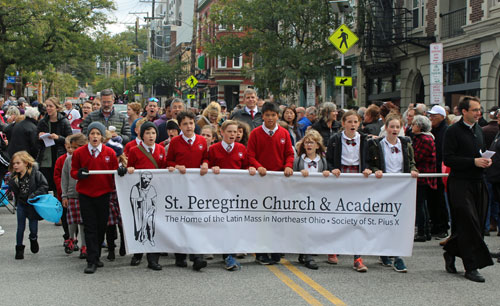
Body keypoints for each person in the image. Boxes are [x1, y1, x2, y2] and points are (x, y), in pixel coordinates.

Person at [442, 96, 494, 283]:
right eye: (474, 110)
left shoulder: (479, 130)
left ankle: (451, 250)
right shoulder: (453, 131)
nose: (479, 113)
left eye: (479, 109)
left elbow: (480, 152)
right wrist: (472, 161)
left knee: (476, 224)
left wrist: (485, 160)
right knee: (469, 222)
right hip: (460, 183)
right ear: (464, 111)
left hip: (478, 182)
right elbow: (448, 158)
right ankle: (471, 267)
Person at [368, 114, 418, 273]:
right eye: (392, 127)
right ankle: (384, 250)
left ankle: (398, 256)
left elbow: (411, 162)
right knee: (384, 221)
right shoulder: (377, 145)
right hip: (383, 187)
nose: (395, 130)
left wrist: (413, 170)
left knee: (399, 222)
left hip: (401, 188)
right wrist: (376, 171)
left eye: (398, 127)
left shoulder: (406, 144)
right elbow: (371, 164)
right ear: (386, 128)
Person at [247, 102, 294, 265]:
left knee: (277, 216)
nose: (270, 118)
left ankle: (275, 248)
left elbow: (289, 153)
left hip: (279, 181)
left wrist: (288, 165)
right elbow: (250, 155)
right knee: (262, 217)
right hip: (261, 181)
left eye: (273, 115)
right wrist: (258, 166)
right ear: (263, 116)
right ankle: (261, 251)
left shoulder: (284, 133)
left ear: (277, 116)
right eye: (267, 115)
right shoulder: (255, 133)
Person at [326, 110, 372, 272]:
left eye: (355, 122)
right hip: (341, 177)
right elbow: (329, 160)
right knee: (338, 215)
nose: (353, 125)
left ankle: (357, 257)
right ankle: (333, 249)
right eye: (349, 122)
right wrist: (333, 169)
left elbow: (370, 159)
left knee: (357, 217)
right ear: (343, 123)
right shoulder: (335, 140)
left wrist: (367, 168)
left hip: (358, 177)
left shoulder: (365, 139)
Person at [71, 122, 119, 274]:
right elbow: (73, 171)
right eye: (92, 134)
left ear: (102, 137)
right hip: (86, 195)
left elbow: (115, 171)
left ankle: (96, 255)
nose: (95, 136)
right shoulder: (79, 153)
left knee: (101, 227)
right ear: (88, 136)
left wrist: (121, 171)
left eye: (98, 134)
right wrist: (79, 174)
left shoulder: (109, 153)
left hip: (103, 194)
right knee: (90, 227)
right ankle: (91, 260)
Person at [209, 120, 256, 271]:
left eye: (235, 132)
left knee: (233, 223)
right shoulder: (213, 149)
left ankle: (230, 254)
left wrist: (251, 169)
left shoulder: (242, 148)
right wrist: (211, 168)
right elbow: (205, 166)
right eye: (229, 131)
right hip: (218, 192)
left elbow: (246, 165)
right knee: (222, 223)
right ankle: (225, 253)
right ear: (221, 132)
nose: (233, 135)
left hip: (236, 193)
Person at [166, 111, 209, 271]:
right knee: (181, 220)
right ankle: (180, 254)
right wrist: (176, 166)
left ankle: (198, 256)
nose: (189, 126)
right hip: (180, 187)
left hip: (197, 187)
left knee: (197, 220)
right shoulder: (175, 142)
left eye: (191, 123)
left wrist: (205, 163)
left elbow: (206, 157)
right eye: (185, 124)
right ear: (180, 126)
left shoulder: (202, 141)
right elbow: (168, 161)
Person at [121, 121, 166, 271]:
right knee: (139, 221)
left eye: (153, 133)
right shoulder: (134, 150)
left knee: (153, 222)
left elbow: (164, 168)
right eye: (147, 133)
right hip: (140, 192)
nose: (151, 136)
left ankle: (153, 258)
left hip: (155, 191)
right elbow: (130, 169)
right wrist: (130, 169)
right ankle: (138, 253)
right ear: (142, 135)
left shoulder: (160, 149)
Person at [293, 130, 329, 270]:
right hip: (302, 197)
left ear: (317, 146)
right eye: (307, 142)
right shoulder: (299, 160)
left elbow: (327, 178)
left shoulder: (323, 161)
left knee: (313, 225)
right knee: (304, 226)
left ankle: (306, 252)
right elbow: (292, 179)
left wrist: (327, 174)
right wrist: (298, 174)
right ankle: (307, 255)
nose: (309, 145)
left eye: (311, 142)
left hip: (317, 197)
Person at [8, 151, 49, 260]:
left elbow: (44, 186)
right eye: (13, 163)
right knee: (20, 227)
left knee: (33, 227)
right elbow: (13, 190)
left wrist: (34, 195)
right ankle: (19, 248)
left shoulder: (36, 174)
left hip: (32, 204)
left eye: (18, 163)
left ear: (26, 163)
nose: (15, 165)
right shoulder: (14, 177)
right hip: (21, 204)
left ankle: (33, 238)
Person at [61, 134, 88, 258]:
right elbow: (64, 178)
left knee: (83, 222)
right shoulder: (68, 160)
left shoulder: (87, 158)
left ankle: (84, 245)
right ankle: (71, 238)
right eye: (70, 147)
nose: (72, 150)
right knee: (71, 220)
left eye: (75, 147)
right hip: (71, 194)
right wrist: (64, 195)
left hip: (83, 194)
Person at [411, 115, 437, 242]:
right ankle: (425, 231)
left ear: (420, 126)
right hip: (424, 174)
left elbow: (416, 156)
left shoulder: (424, 139)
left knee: (420, 204)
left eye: (414, 124)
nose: (412, 127)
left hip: (423, 175)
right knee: (422, 204)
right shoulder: (425, 138)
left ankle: (422, 231)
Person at [427, 105, 450, 239]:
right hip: (433, 169)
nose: (431, 118)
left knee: (440, 199)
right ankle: (436, 225)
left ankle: (443, 226)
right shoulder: (434, 130)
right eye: (430, 116)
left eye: (434, 116)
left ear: (442, 117)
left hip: (440, 169)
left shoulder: (445, 131)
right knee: (433, 199)